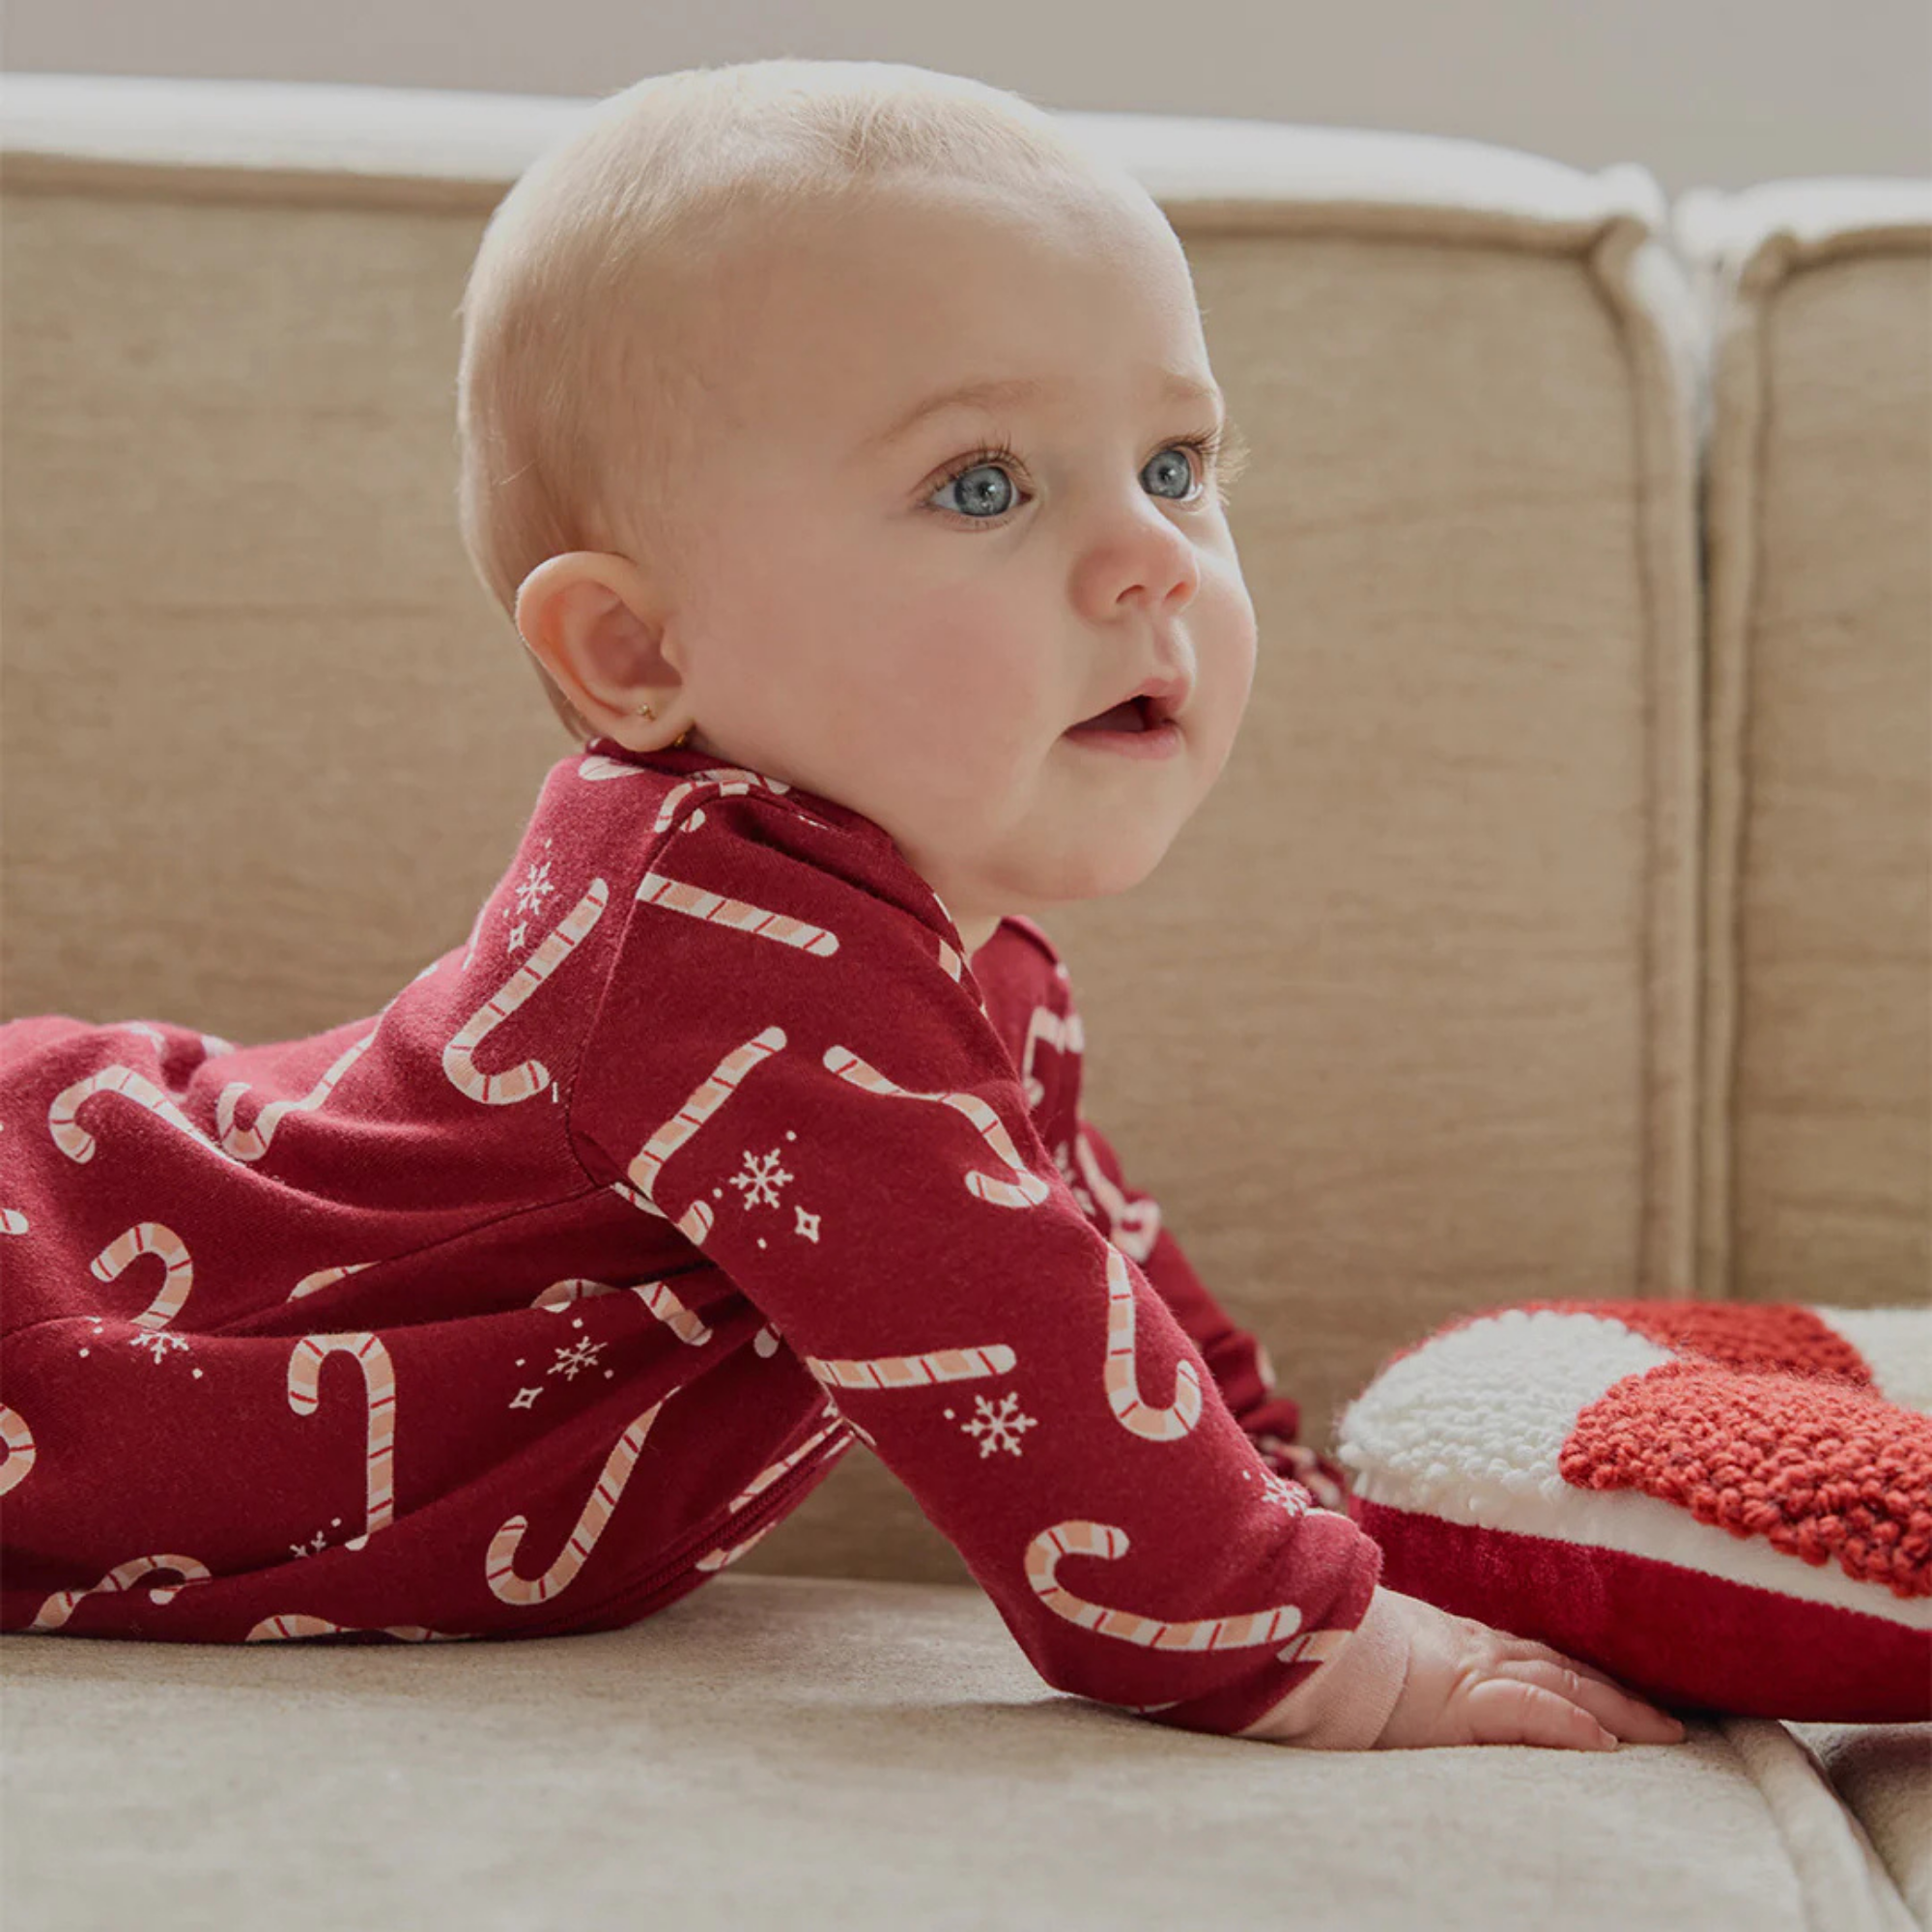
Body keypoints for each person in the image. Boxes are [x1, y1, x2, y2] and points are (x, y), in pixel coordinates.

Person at [0, 57, 1683, 1755]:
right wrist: (1316, 1641)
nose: (1152, 557)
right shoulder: (720, 946)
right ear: (639, 655)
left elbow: (1095, 1294)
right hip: (58, 1309)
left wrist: (1333, 1518)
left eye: (1176, 463)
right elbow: (1034, 1379)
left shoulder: (929, 959)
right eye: (985, 485)